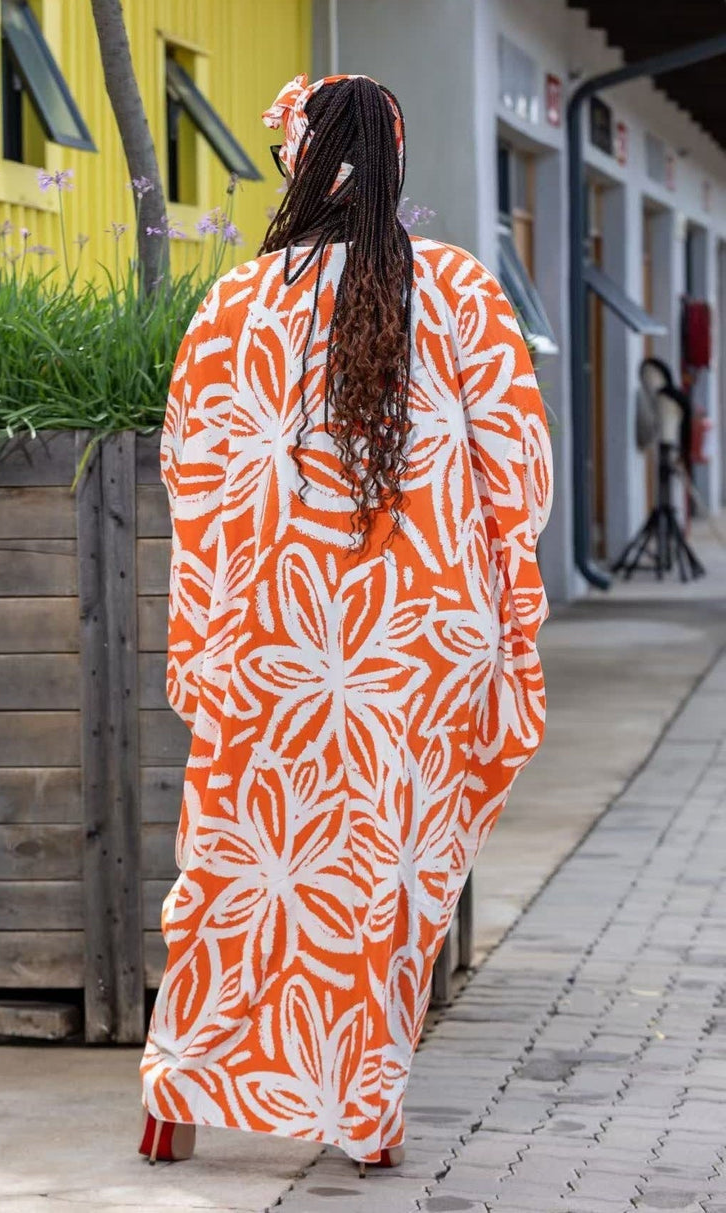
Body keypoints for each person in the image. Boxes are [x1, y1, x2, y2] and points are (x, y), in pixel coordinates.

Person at [139, 72, 553, 1173]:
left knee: (239, 864)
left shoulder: (231, 308)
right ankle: (360, 1114)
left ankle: (178, 1093)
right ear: (397, 164)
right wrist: (504, 610)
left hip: (268, 642)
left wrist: (218, 623)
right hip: (417, 646)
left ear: (298, 163)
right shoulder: (456, 292)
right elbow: (518, 469)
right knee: (382, 869)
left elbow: (190, 474)